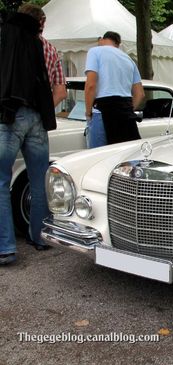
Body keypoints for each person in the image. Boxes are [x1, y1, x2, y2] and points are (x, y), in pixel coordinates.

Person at [0, 4, 66, 265]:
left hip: (9, 116)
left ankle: (6, 248)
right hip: (38, 118)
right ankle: (39, 237)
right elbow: (60, 91)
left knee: (2, 182)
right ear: (41, 23)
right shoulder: (48, 48)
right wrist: (40, 109)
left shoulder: (6, 41)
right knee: (39, 181)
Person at [84, 31, 145, 148]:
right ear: (118, 44)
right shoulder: (128, 59)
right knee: (125, 157)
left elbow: (91, 85)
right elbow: (140, 93)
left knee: (99, 157)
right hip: (126, 112)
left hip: (103, 111)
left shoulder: (95, 51)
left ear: (101, 40)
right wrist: (128, 109)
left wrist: (88, 113)